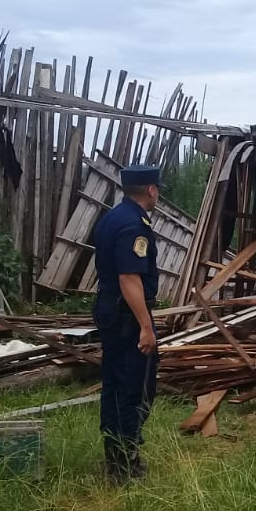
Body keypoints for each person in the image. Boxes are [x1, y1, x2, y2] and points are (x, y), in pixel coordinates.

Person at [92, 165, 162, 485]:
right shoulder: (135, 224)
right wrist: (146, 327)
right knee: (135, 386)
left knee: (114, 384)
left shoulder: (111, 218)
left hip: (110, 310)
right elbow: (129, 278)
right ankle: (126, 462)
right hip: (126, 316)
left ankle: (114, 456)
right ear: (151, 189)